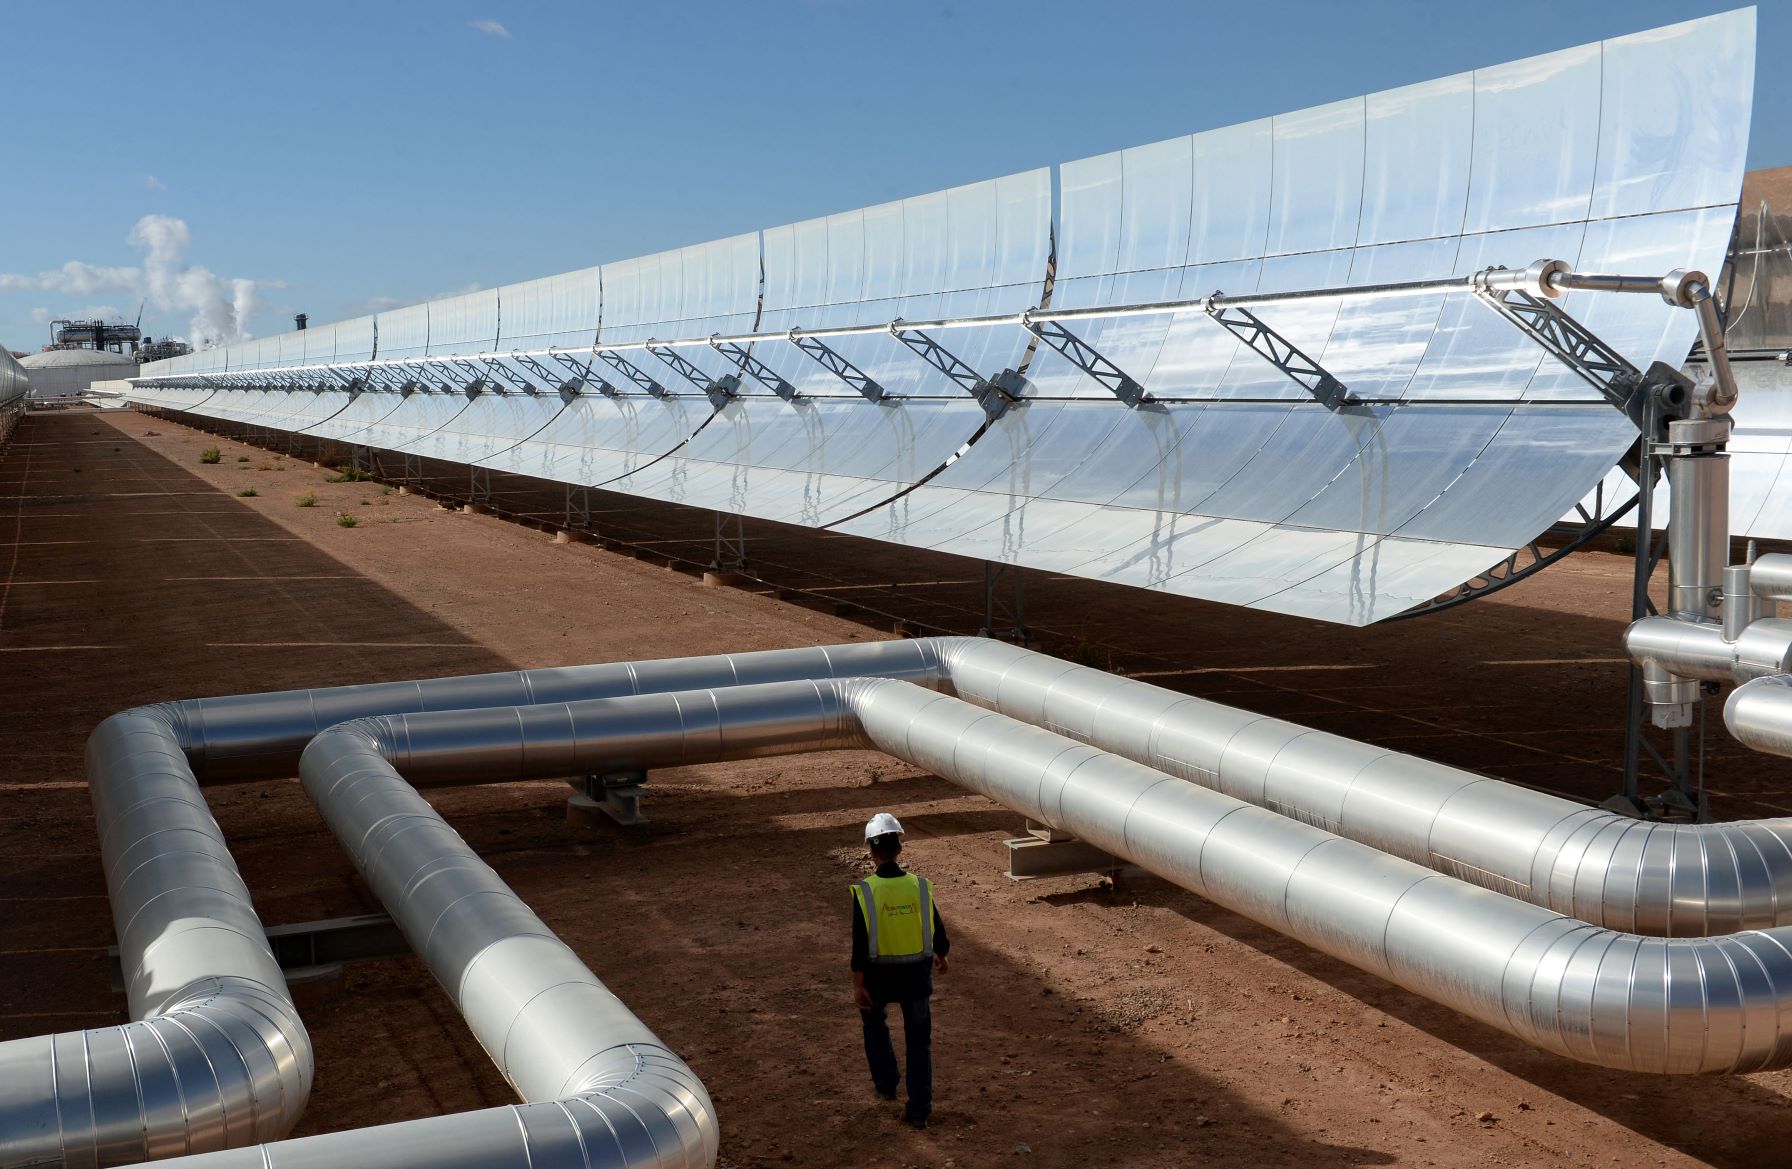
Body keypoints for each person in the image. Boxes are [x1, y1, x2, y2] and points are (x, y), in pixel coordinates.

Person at [850, 812, 950, 1130]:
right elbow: (938, 930)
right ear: (899, 849)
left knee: (874, 1024)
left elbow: (860, 945)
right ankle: (919, 1109)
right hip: (916, 978)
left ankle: (886, 1084)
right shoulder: (920, 887)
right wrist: (942, 954)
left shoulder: (865, 891)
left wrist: (858, 985)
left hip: (879, 978)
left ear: (872, 852)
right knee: (919, 1042)